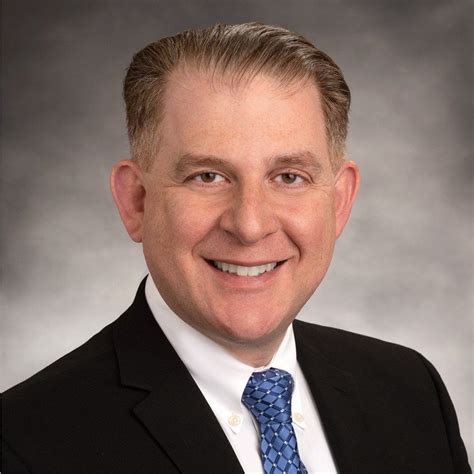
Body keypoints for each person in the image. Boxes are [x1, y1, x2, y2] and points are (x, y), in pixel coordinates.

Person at [1, 22, 470, 474]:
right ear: (136, 201)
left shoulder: (410, 390)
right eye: (208, 176)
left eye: (289, 177)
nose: (249, 225)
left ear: (339, 202)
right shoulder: (23, 445)